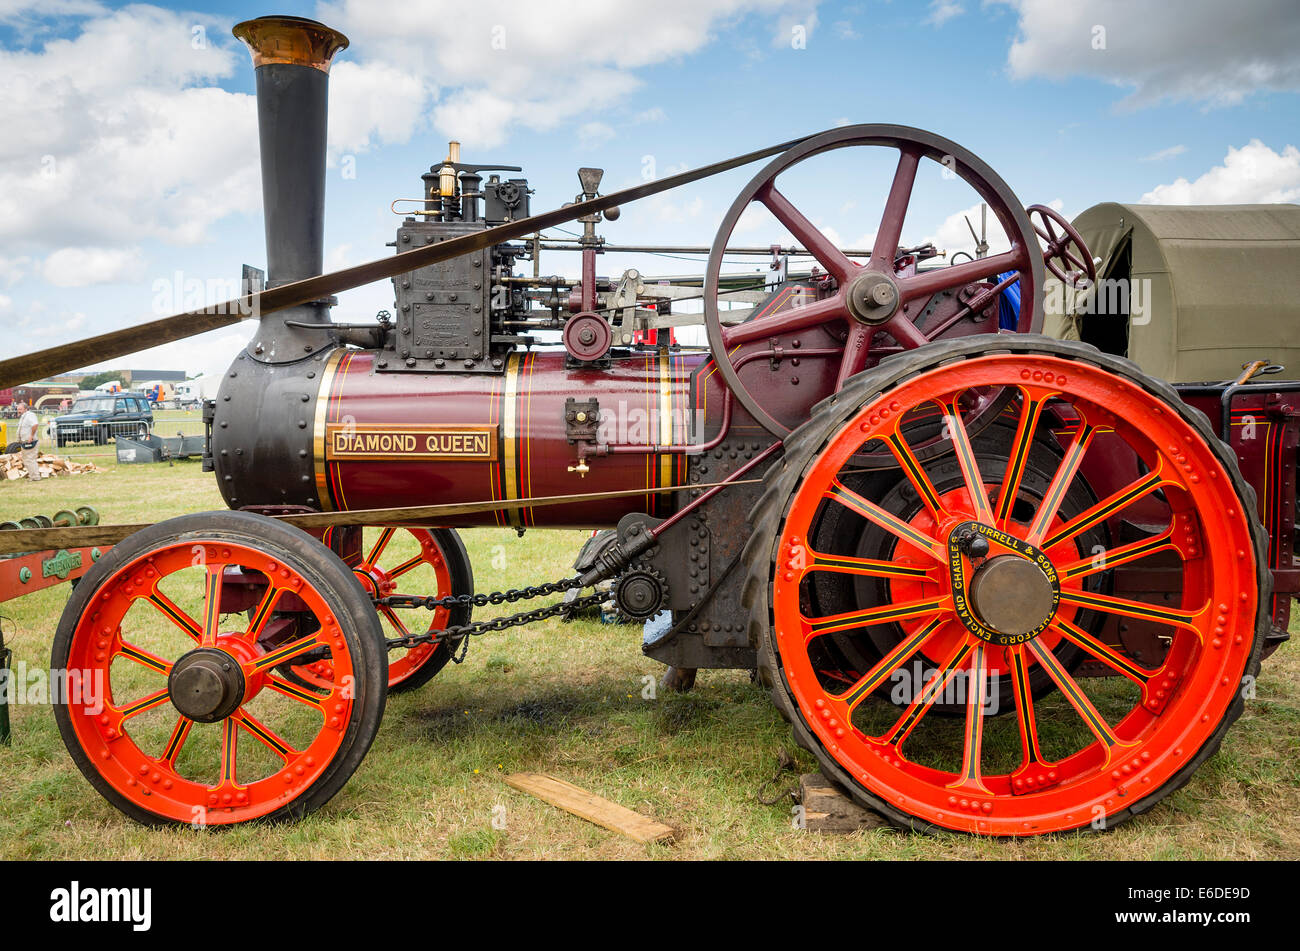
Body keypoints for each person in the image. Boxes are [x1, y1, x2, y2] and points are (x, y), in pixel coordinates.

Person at [15, 400, 42, 482]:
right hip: (24, 442)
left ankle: (35, 477)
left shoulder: (30, 415)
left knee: (30, 459)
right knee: (27, 460)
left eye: (20, 409)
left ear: (26, 409)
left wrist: (31, 436)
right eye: (18, 409)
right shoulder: (24, 416)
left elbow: (35, 425)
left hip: (30, 441)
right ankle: (33, 476)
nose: (18, 411)